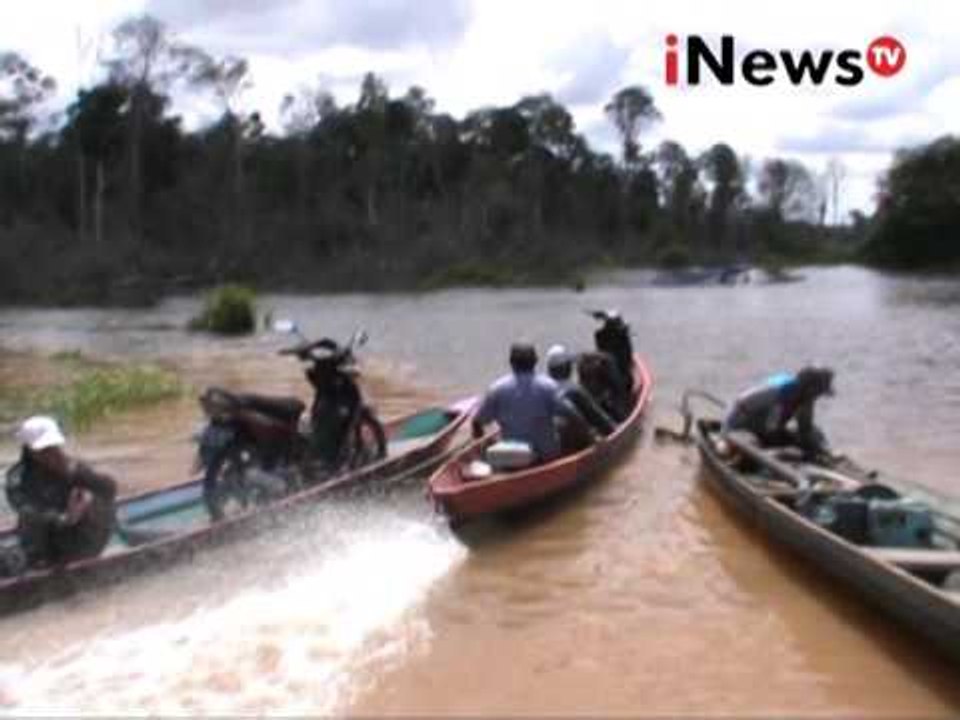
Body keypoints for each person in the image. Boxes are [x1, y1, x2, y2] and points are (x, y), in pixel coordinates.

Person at [4, 416, 117, 572]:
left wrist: (76, 475)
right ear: (29, 450)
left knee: (98, 503)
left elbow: (109, 489)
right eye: (44, 450)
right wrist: (63, 519)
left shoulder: (73, 467)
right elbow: (26, 510)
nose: (51, 453)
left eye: (53, 447)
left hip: (82, 542)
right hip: (44, 543)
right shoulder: (17, 479)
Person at [472, 343, 584, 464]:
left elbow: (477, 422)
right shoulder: (549, 386)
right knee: (561, 425)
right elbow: (573, 415)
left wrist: (483, 448)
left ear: (511, 362)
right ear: (535, 361)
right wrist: (590, 438)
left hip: (510, 457)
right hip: (546, 455)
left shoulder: (496, 389)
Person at [721, 366, 835, 459]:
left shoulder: (805, 399)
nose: (818, 396)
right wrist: (789, 447)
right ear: (808, 387)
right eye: (818, 391)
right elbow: (770, 430)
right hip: (739, 428)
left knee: (815, 434)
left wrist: (815, 447)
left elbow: (805, 428)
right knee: (753, 448)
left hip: (766, 429)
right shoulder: (777, 395)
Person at [546, 345, 616, 452]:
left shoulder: (543, 389)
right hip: (571, 444)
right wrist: (616, 430)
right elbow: (598, 417)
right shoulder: (575, 390)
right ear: (568, 368)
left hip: (550, 443)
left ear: (549, 371)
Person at [590, 309, 634, 394]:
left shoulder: (599, 334)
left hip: (607, 364)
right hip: (619, 368)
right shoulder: (622, 334)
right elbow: (628, 355)